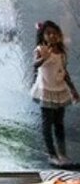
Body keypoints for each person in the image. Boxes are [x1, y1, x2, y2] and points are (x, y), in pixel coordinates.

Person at [31, 20, 79, 166]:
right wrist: (43, 58)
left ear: (59, 35)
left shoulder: (61, 53)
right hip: (46, 90)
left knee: (59, 123)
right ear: (43, 35)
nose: (52, 36)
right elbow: (35, 64)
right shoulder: (41, 49)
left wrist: (73, 90)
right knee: (47, 123)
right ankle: (52, 154)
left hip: (59, 90)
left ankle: (62, 153)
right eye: (48, 33)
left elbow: (64, 72)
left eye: (54, 33)